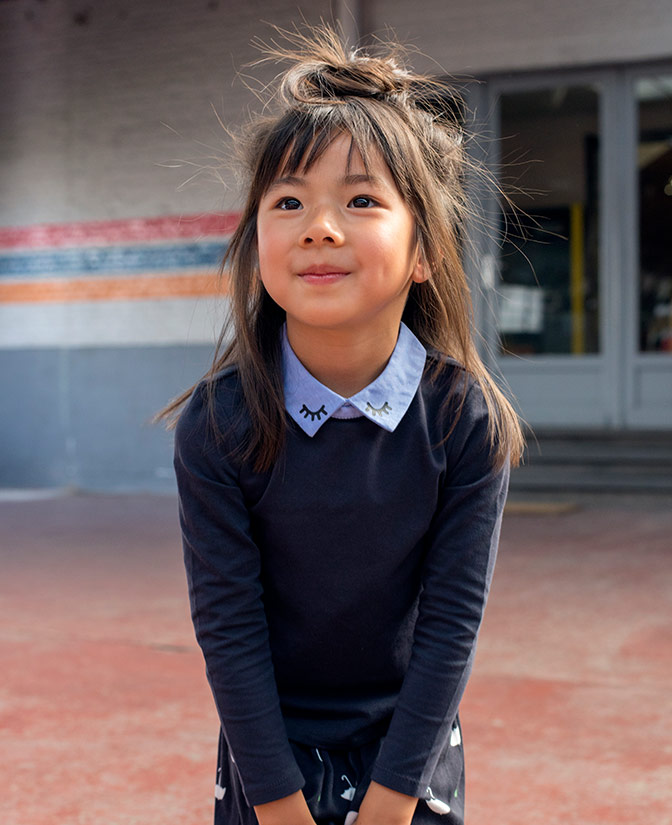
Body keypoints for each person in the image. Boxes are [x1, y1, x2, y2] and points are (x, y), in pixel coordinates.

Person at [162, 24, 524, 825]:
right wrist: (280, 803)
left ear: (426, 249)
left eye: (361, 200)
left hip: (410, 745)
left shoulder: (464, 419)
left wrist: (395, 799)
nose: (319, 225)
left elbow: (450, 624)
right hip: (268, 753)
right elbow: (228, 626)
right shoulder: (219, 423)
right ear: (258, 246)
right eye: (288, 201)